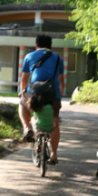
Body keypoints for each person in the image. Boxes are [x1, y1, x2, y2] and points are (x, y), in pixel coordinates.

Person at [19, 34, 64, 164]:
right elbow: (61, 81)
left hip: (35, 92)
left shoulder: (29, 56)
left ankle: (27, 128)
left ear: (36, 45)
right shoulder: (58, 59)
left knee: (22, 104)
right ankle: (54, 155)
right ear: (51, 46)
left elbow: (24, 79)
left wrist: (22, 93)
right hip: (53, 94)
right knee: (55, 123)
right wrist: (58, 97)